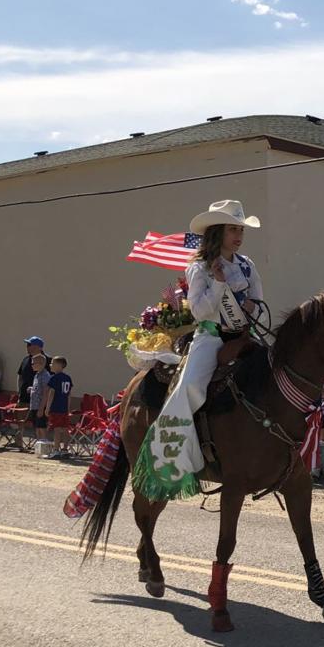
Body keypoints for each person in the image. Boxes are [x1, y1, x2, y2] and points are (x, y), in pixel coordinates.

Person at [132, 200, 263, 501]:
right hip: (212, 338)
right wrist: (218, 285)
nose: (238, 236)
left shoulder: (247, 265)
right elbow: (201, 313)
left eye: (240, 229)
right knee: (190, 387)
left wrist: (251, 308)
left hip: (245, 335)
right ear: (218, 232)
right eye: (233, 229)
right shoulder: (199, 267)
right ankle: (177, 455)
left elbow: (258, 297)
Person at [44, 355, 73, 459]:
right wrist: (68, 408)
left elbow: (52, 393)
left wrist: (47, 407)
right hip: (64, 409)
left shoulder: (54, 378)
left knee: (57, 429)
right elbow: (69, 394)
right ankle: (65, 449)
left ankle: (56, 450)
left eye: (52, 363)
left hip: (56, 408)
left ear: (59, 365)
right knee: (65, 429)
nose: (50, 365)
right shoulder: (68, 378)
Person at [28, 353, 51, 442]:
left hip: (40, 405)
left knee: (41, 426)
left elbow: (46, 392)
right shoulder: (36, 375)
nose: (32, 365)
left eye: (33, 363)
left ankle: (44, 442)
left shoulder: (45, 375)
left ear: (41, 363)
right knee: (36, 426)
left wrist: (42, 408)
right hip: (34, 405)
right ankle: (39, 443)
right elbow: (38, 388)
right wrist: (31, 389)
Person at [17, 336, 46, 404]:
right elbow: (20, 376)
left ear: (38, 347)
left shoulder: (48, 360)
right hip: (24, 398)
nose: (27, 347)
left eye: (29, 345)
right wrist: (19, 393)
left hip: (38, 401)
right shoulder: (26, 360)